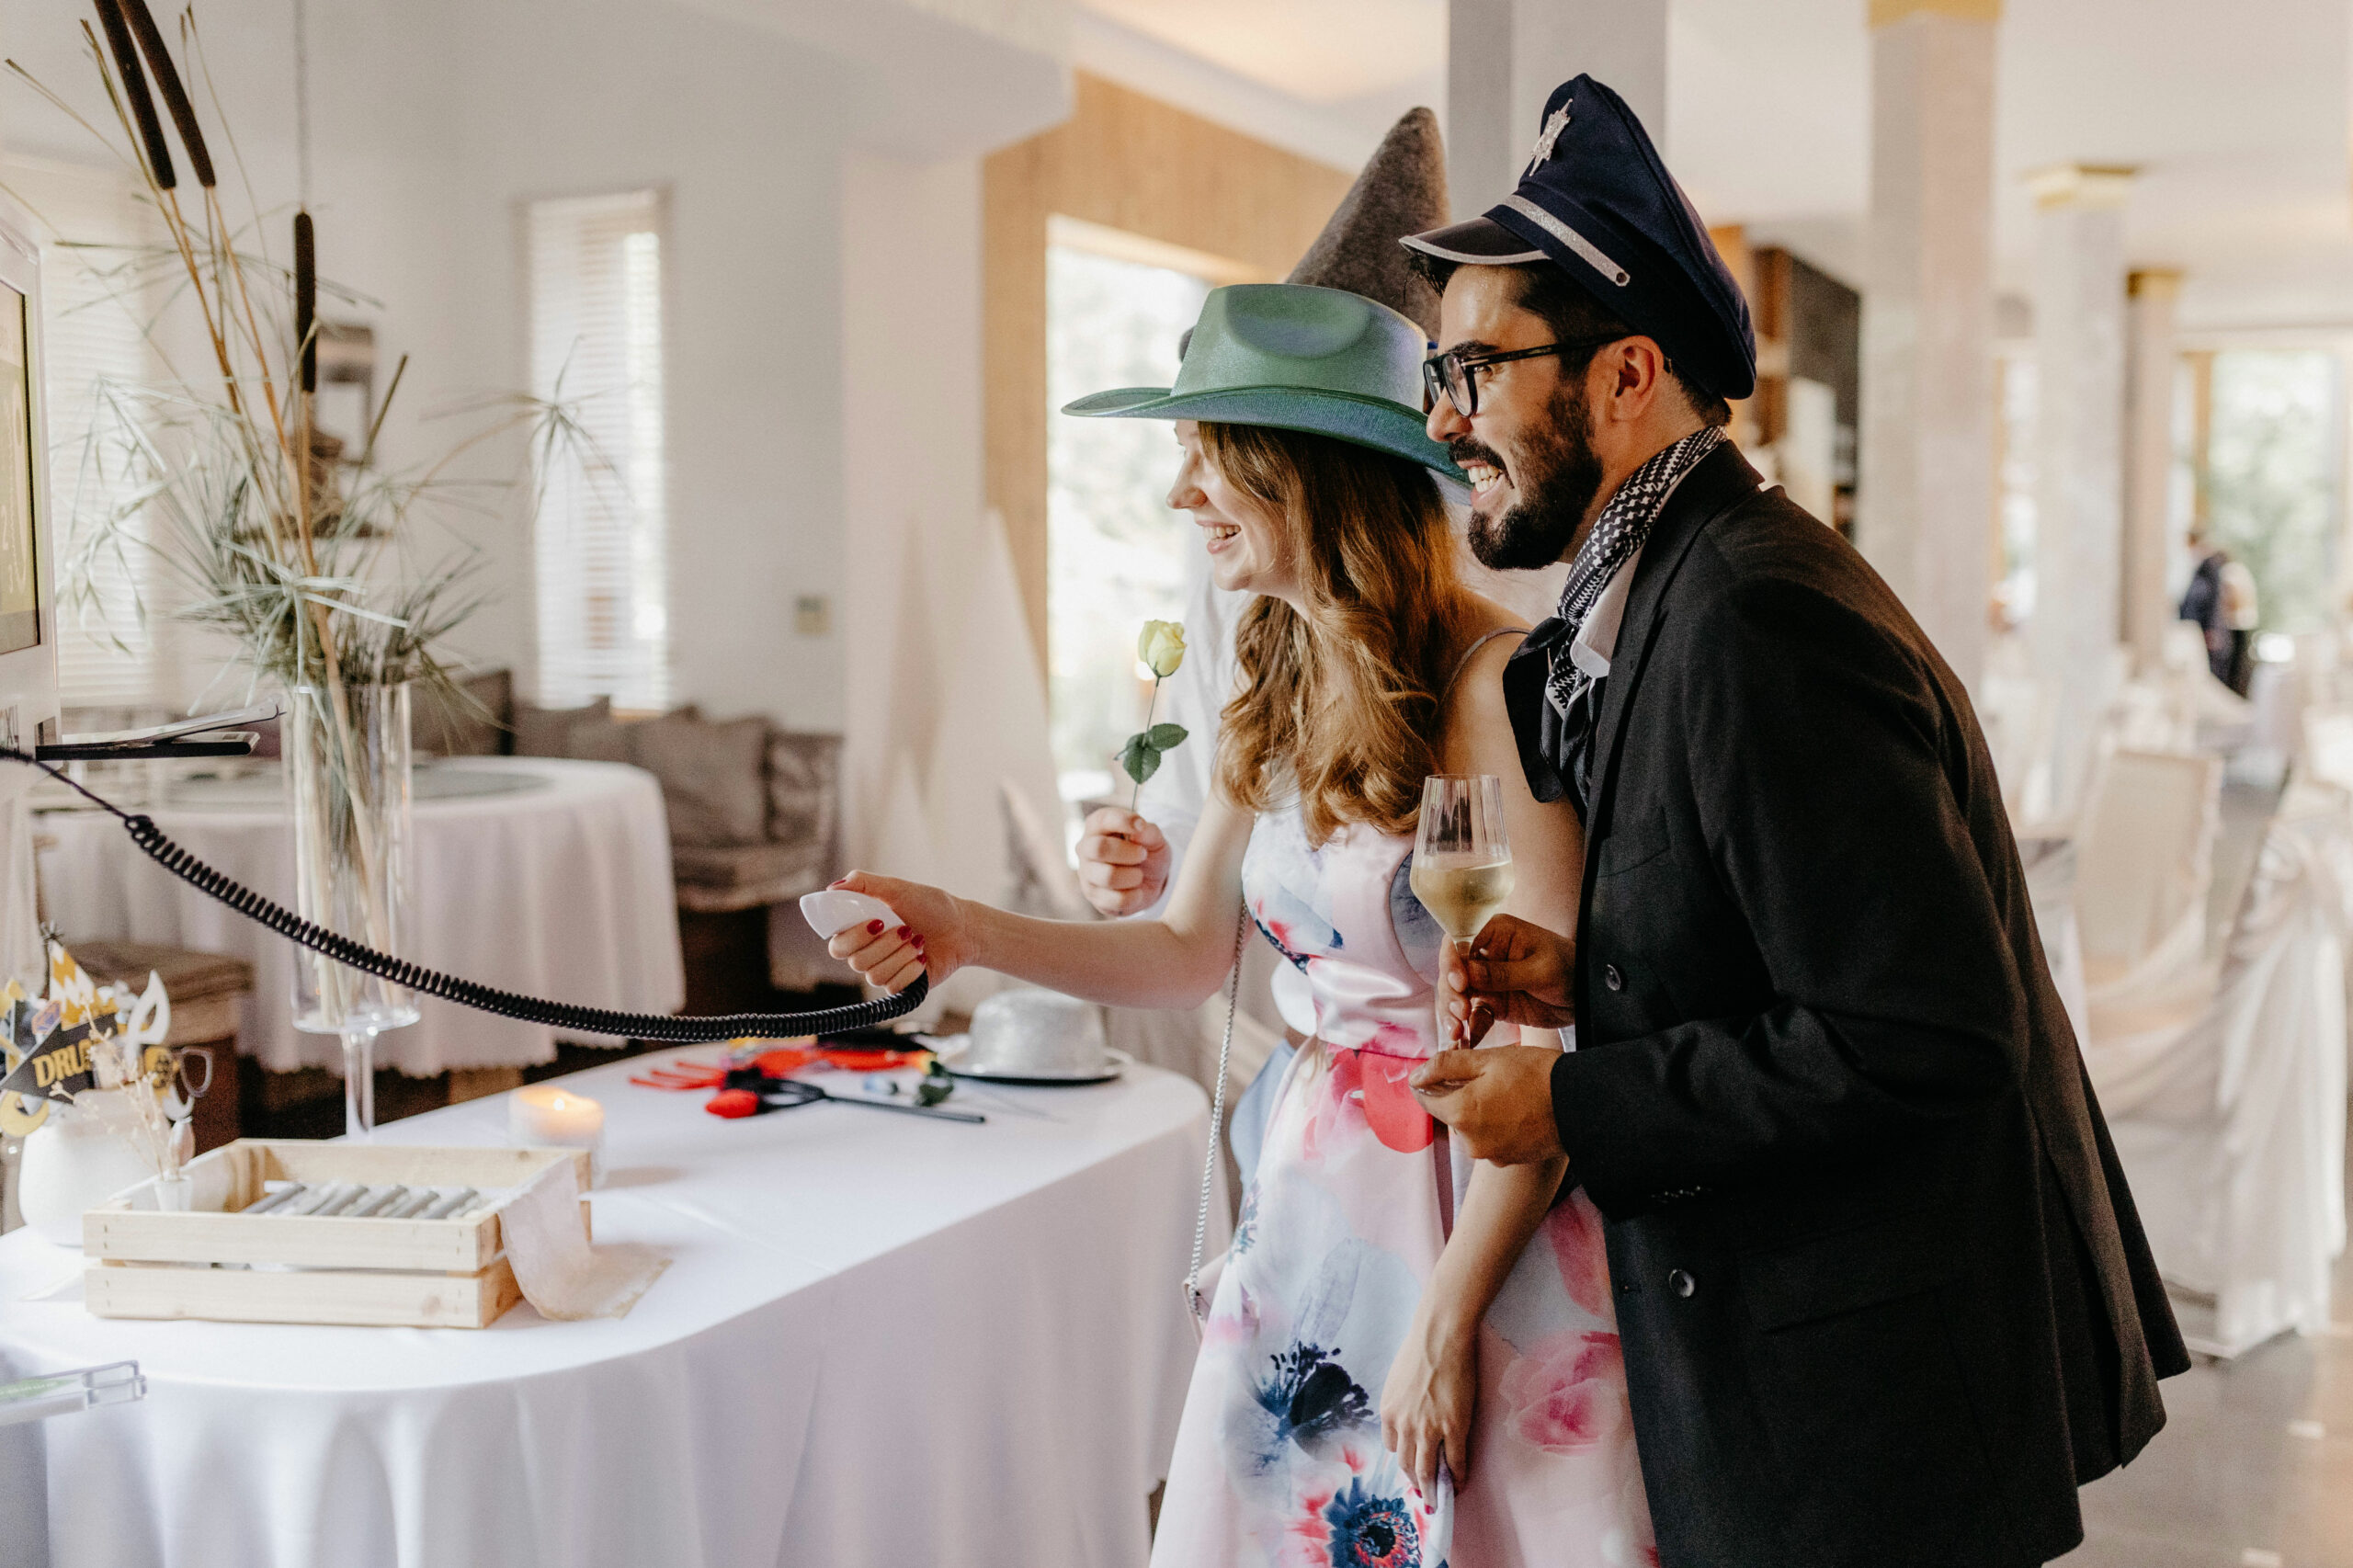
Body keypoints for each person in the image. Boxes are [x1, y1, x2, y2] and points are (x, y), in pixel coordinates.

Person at [1395, 76, 2188, 1568]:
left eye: (1476, 370)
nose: (1449, 421)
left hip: (1861, 1430)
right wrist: (1602, 969)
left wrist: (1571, 1104)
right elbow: (1794, 939)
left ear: (1627, 374)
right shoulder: (1682, 585)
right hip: (1824, 1390)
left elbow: (1927, 1037)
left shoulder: (1755, 614)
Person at [830, 281, 1655, 1564]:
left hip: (1474, 1217)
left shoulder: (1490, 683)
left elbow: (1552, 1043)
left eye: (1204, 461)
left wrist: (1446, 1315)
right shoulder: (1272, 680)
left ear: (1303, 476)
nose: (1180, 499)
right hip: (1314, 1204)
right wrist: (961, 928)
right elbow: (1183, 951)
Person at [2178, 525, 2256, 693]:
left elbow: (2214, 603)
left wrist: (2213, 629)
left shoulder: (2211, 567)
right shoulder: (2207, 567)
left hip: (2216, 632)